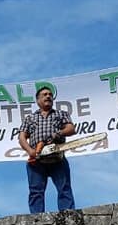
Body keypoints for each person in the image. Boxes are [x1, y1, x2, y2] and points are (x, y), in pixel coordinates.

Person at [18, 85, 76, 214]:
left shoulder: (61, 114)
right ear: (38, 100)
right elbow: (22, 138)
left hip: (57, 156)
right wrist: (30, 151)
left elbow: (71, 129)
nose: (48, 96)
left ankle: (68, 215)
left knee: (64, 188)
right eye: (44, 94)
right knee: (35, 191)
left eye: (50, 94)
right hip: (37, 159)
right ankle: (37, 218)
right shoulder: (30, 118)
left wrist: (57, 134)